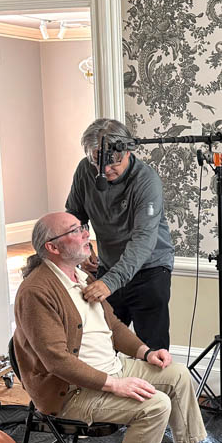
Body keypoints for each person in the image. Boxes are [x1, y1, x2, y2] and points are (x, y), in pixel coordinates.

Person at [13, 212, 222, 443]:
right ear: (53, 247)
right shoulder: (37, 291)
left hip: (112, 367)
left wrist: (145, 352)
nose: (85, 234)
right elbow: (55, 360)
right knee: (155, 405)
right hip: (71, 391)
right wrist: (115, 385)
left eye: (82, 227)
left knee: (177, 374)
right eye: (75, 230)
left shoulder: (82, 277)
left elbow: (113, 325)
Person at [66, 118, 175, 351]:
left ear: (127, 151)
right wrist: (84, 248)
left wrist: (109, 282)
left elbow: (143, 239)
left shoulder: (146, 181)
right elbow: (75, 214)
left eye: (112, 163)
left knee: (152, 350)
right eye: (97, 162)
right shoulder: (85, 170)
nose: (105, 170)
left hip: (150, 269)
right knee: (103, 345)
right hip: (109, 266)